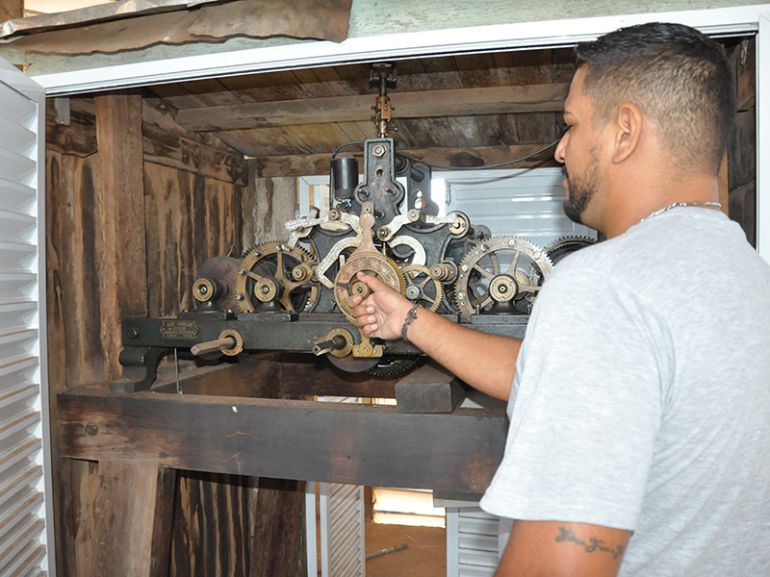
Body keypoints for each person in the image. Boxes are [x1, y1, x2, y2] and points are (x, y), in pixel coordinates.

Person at [348, 22, 770, 577]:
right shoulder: (746, 275)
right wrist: (408, 319)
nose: (561, 150)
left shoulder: (603, 285)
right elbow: (553, 373)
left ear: (625, 132)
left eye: (571, 125)